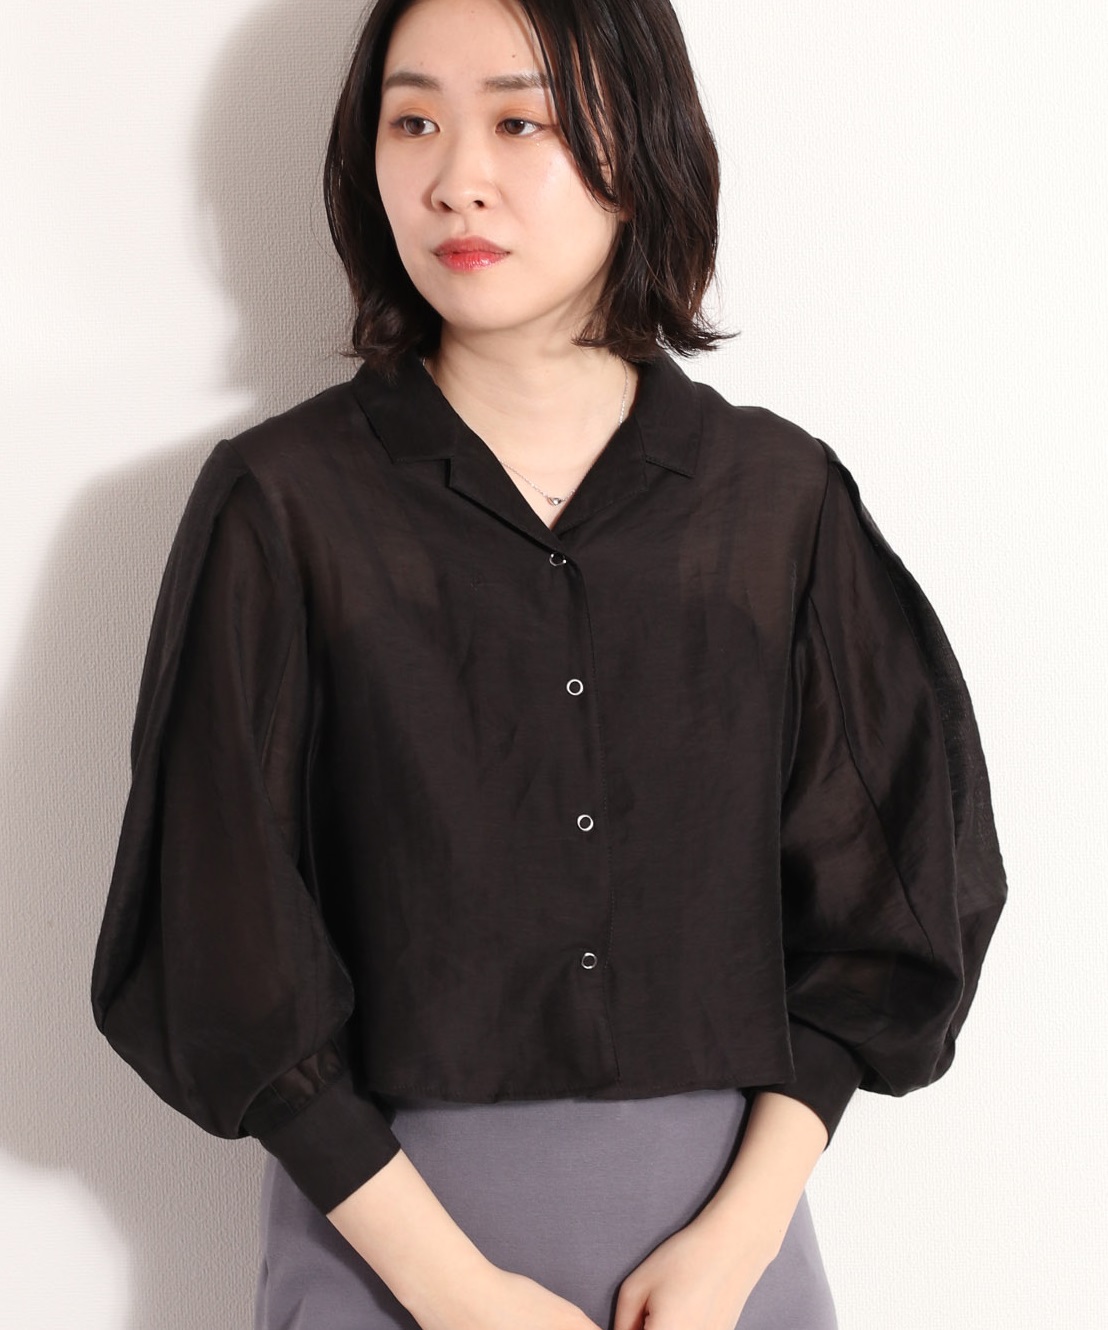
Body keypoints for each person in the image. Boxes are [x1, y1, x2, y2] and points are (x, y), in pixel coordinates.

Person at [90, 0, 1008, 1327]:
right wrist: (455, 1291)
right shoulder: (284, 507)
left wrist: (736, 1243)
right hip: (384, 1255)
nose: (456, 177)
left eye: (523, 122)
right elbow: (213, 932)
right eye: (413, 121)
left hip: (719, 1260)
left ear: (645, 142)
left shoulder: (777, 503)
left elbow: (896, 905)